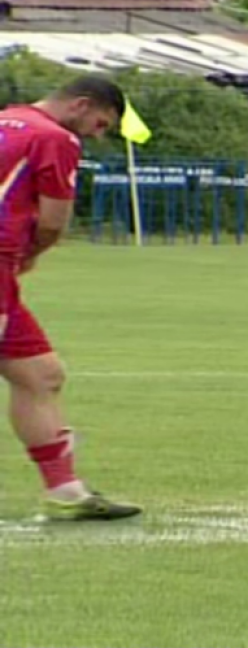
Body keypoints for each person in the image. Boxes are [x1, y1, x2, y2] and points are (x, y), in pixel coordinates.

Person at [0, 76, 141, 521]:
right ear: (81, 105)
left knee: (40, 374)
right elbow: (53, 221)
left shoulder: (8, 119)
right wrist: (32, 254)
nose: (96, 135)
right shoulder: (56, 138)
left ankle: (65, 491)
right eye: (100, 124)